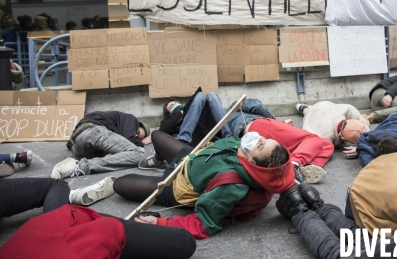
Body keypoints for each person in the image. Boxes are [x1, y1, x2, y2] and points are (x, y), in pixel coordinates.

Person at [115, 131, 295, 240]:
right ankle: (157, 162)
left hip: (178, 187)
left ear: (253, 161)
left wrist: (161, 223)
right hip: (189, 159)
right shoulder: (244, 150)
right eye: (264, 138)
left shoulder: (231, 185)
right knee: (156, 135)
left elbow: (204, 224)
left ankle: (163, 174)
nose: (258, 139)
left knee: (120, 184)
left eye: (261, 144)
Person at [0, 177, 196, 259]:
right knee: (183, 242)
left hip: (63, 224)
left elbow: (109, 229)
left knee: (183, 242)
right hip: (52, 228)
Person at [223, 98, 332, 183]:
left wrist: (281, 124)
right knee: (314, 140)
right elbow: (253, 105)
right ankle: (295, 163)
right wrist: (276, 121)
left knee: (326, 144)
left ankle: (303, 164)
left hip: (253, 133)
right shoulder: (237, 110)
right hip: (257, 125)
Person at [51, 111, 151, 179]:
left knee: (116, 154)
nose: (136, 135)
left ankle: (76, 163)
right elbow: (129, 139)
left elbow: (69, 144)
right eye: (137, 132)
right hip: (93, 131)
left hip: (78, 146)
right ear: (139, 125)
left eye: (138, 137)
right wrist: (144, 142)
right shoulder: (131, 119)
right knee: (138, 153)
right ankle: (80, 166)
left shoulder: (113, 122)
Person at [156, 88, 225, 150]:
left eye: (177, 103)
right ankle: (184, 139)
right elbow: (163, 129)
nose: (176, 105)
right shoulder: (172, 120)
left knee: (211, 94)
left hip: (212, 132)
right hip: (197, 140)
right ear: (169, 113)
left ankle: (228, 136)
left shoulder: (192, 109)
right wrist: (180, 113)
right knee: (200, 95)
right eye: (172, 106)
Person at [295, 100, 370, 148]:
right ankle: (303, 108)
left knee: (366, 121)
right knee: (308, 112)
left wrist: (359, 146)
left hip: (325, 106)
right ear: (342, 137)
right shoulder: (322, 135)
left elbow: (366, 130)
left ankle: (305, 108)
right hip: (312, 117)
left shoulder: (349, 109)